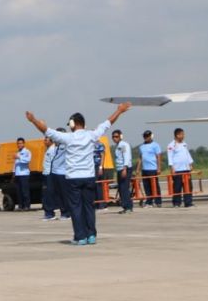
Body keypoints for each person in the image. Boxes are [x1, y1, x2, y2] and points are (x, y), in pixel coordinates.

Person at [25, 103, 132, 245]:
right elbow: (107, 123)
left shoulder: (68, 138)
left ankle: (80, 236)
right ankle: (91, 235)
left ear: (73, 124)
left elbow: (46, 131)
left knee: (76, 207)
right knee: (89, 206)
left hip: (73, 178)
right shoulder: (91, 135)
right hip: (88, 177)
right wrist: (119, 111)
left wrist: (33, 120)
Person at [166, 128, 195, 208]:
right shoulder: (171, 145)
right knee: (177, 187)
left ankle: (188, 202)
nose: (183, 136)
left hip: (186, 169)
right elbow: (170, 157)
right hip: (177, 169)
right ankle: (176, 203)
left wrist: (190, 163)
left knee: (188, 186)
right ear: (177, 135)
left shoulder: (184, 144)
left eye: (183, 134)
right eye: (182, 134)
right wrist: (172, 168)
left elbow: (187, 154)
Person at [136, 130, 162, 207]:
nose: (146, 138)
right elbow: (140, 158)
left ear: (151, 136)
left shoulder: (155, 145)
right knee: (146, 186)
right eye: (144, 136)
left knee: (155, 186)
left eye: (147, 136)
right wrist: (138, 169)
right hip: (145, 169)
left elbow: (158, 156)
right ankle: (149, 201)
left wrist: (159, 168)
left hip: (153, 169)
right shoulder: (141, 146)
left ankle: (158, 201)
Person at [50, 128, 70, 220]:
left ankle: (67, 213)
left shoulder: (66, 145)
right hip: (54, 172)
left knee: (64, 194)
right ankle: (63, 212)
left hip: (63, 172)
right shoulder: (55, 146)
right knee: (58, 194)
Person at [111, 129, 133, 214]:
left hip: (125, 169)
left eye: (116, 136)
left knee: (124, 188)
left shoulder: (123, 145)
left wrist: (125, 168)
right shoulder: (118, 146)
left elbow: (126, 156)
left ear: (120, 136)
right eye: (113, 137)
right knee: (121, 188)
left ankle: (128, 207)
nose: (114, 138)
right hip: (120, 169)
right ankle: (126, 206)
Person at [14, 137, 32, 210]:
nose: (19, 145)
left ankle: (27, 205)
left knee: (25, 191)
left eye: (21, 143)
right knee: (19, 191)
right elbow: (15, 164)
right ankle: (20, 205)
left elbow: (27, 160)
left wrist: (19, 157)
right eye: (18, 143)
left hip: (24, 174)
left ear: (24, 144)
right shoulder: (17, 153)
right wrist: (13, 173)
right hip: (18, 174)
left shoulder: (27, 152)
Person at [41, 137, 57, 221]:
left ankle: (50, 213)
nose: (44, 142)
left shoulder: (52, 150)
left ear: (51, 141)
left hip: (49, 174)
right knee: (45, 194)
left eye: (46, 140)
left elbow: (53, 163)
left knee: (49, 194)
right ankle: (48, 212)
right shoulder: (48, 149)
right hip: (45, 173)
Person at [94, 139, 108, 211]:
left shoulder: (99, 144)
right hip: (90, 167)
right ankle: (96, 204)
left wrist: (100, 167)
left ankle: (102, 204)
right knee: (93, 186)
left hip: (97, 166)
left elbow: (102, 155)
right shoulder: (88, 144)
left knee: (99, 186)